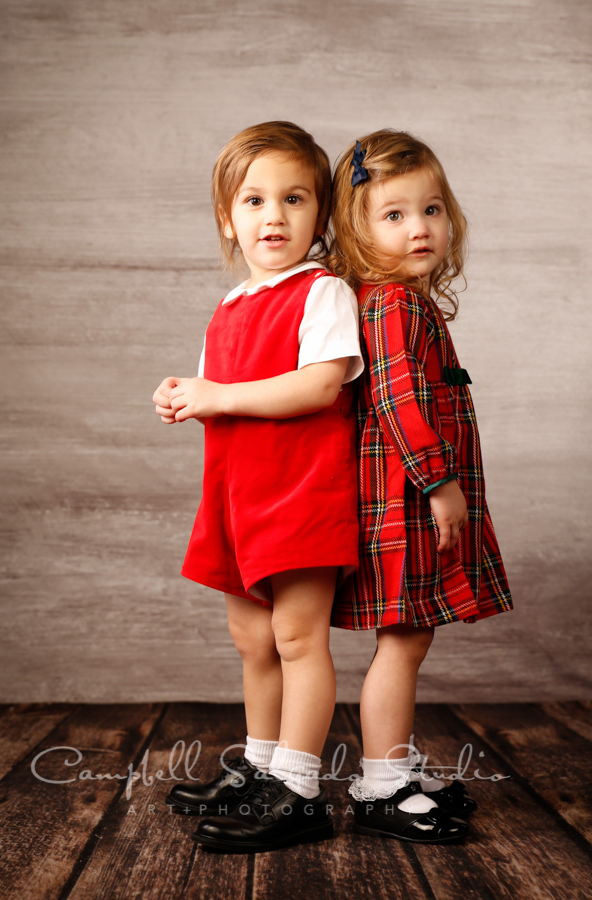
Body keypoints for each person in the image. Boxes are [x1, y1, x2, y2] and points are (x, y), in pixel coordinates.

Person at [152, 121, 363, 853]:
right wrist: (187, 394)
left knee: (296, 636)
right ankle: (262, 766)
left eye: (294, 198)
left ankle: (300, 790)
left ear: (320, 214)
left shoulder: (322, 290)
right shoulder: (231, 305)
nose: (272, 216)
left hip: (300, 492)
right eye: (253, 200)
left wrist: (218, 397)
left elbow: (317, 385)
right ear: (227, 217)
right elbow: (220, 390)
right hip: (237, 496)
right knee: (251, 639)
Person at [327, 130, 514, 844]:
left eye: (431, 209)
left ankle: (393, 767)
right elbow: (399, 404)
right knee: (403, 641)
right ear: (357, 227)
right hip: (404, 503)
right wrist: (439, 483)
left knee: (407, 638)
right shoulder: (394, 306)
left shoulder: (387, 300)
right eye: (394, 214)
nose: (420, 228)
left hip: (396, 499)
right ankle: (381, 785)